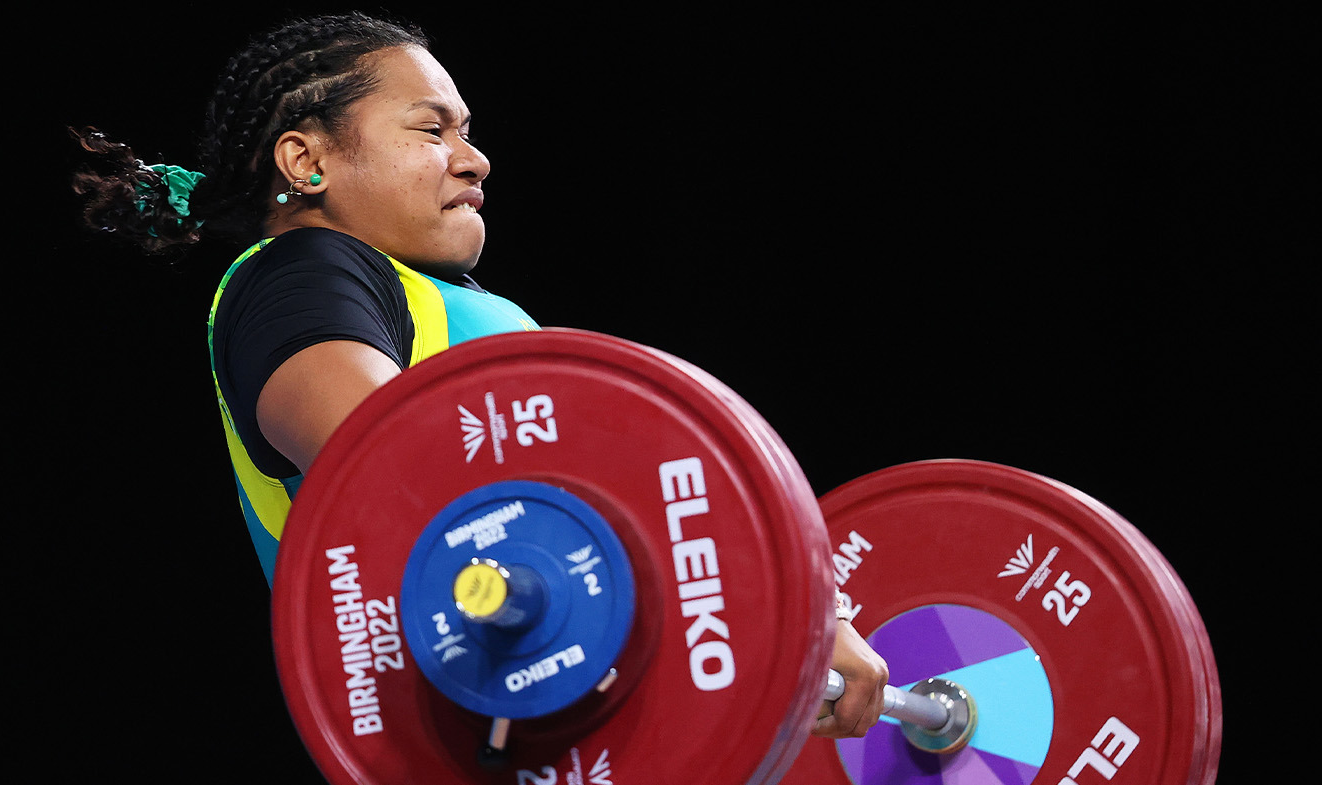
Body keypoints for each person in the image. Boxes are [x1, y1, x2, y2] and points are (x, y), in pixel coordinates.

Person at [70, 10, 887, 743]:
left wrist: (791, 612)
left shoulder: (413, 293)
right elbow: (392, 467)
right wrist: (775, 607)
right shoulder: (299, 272)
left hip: (554, 703)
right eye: (431, 130)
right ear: (305, 158)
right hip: (487, 708)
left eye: (467, 130)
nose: (474, 160)